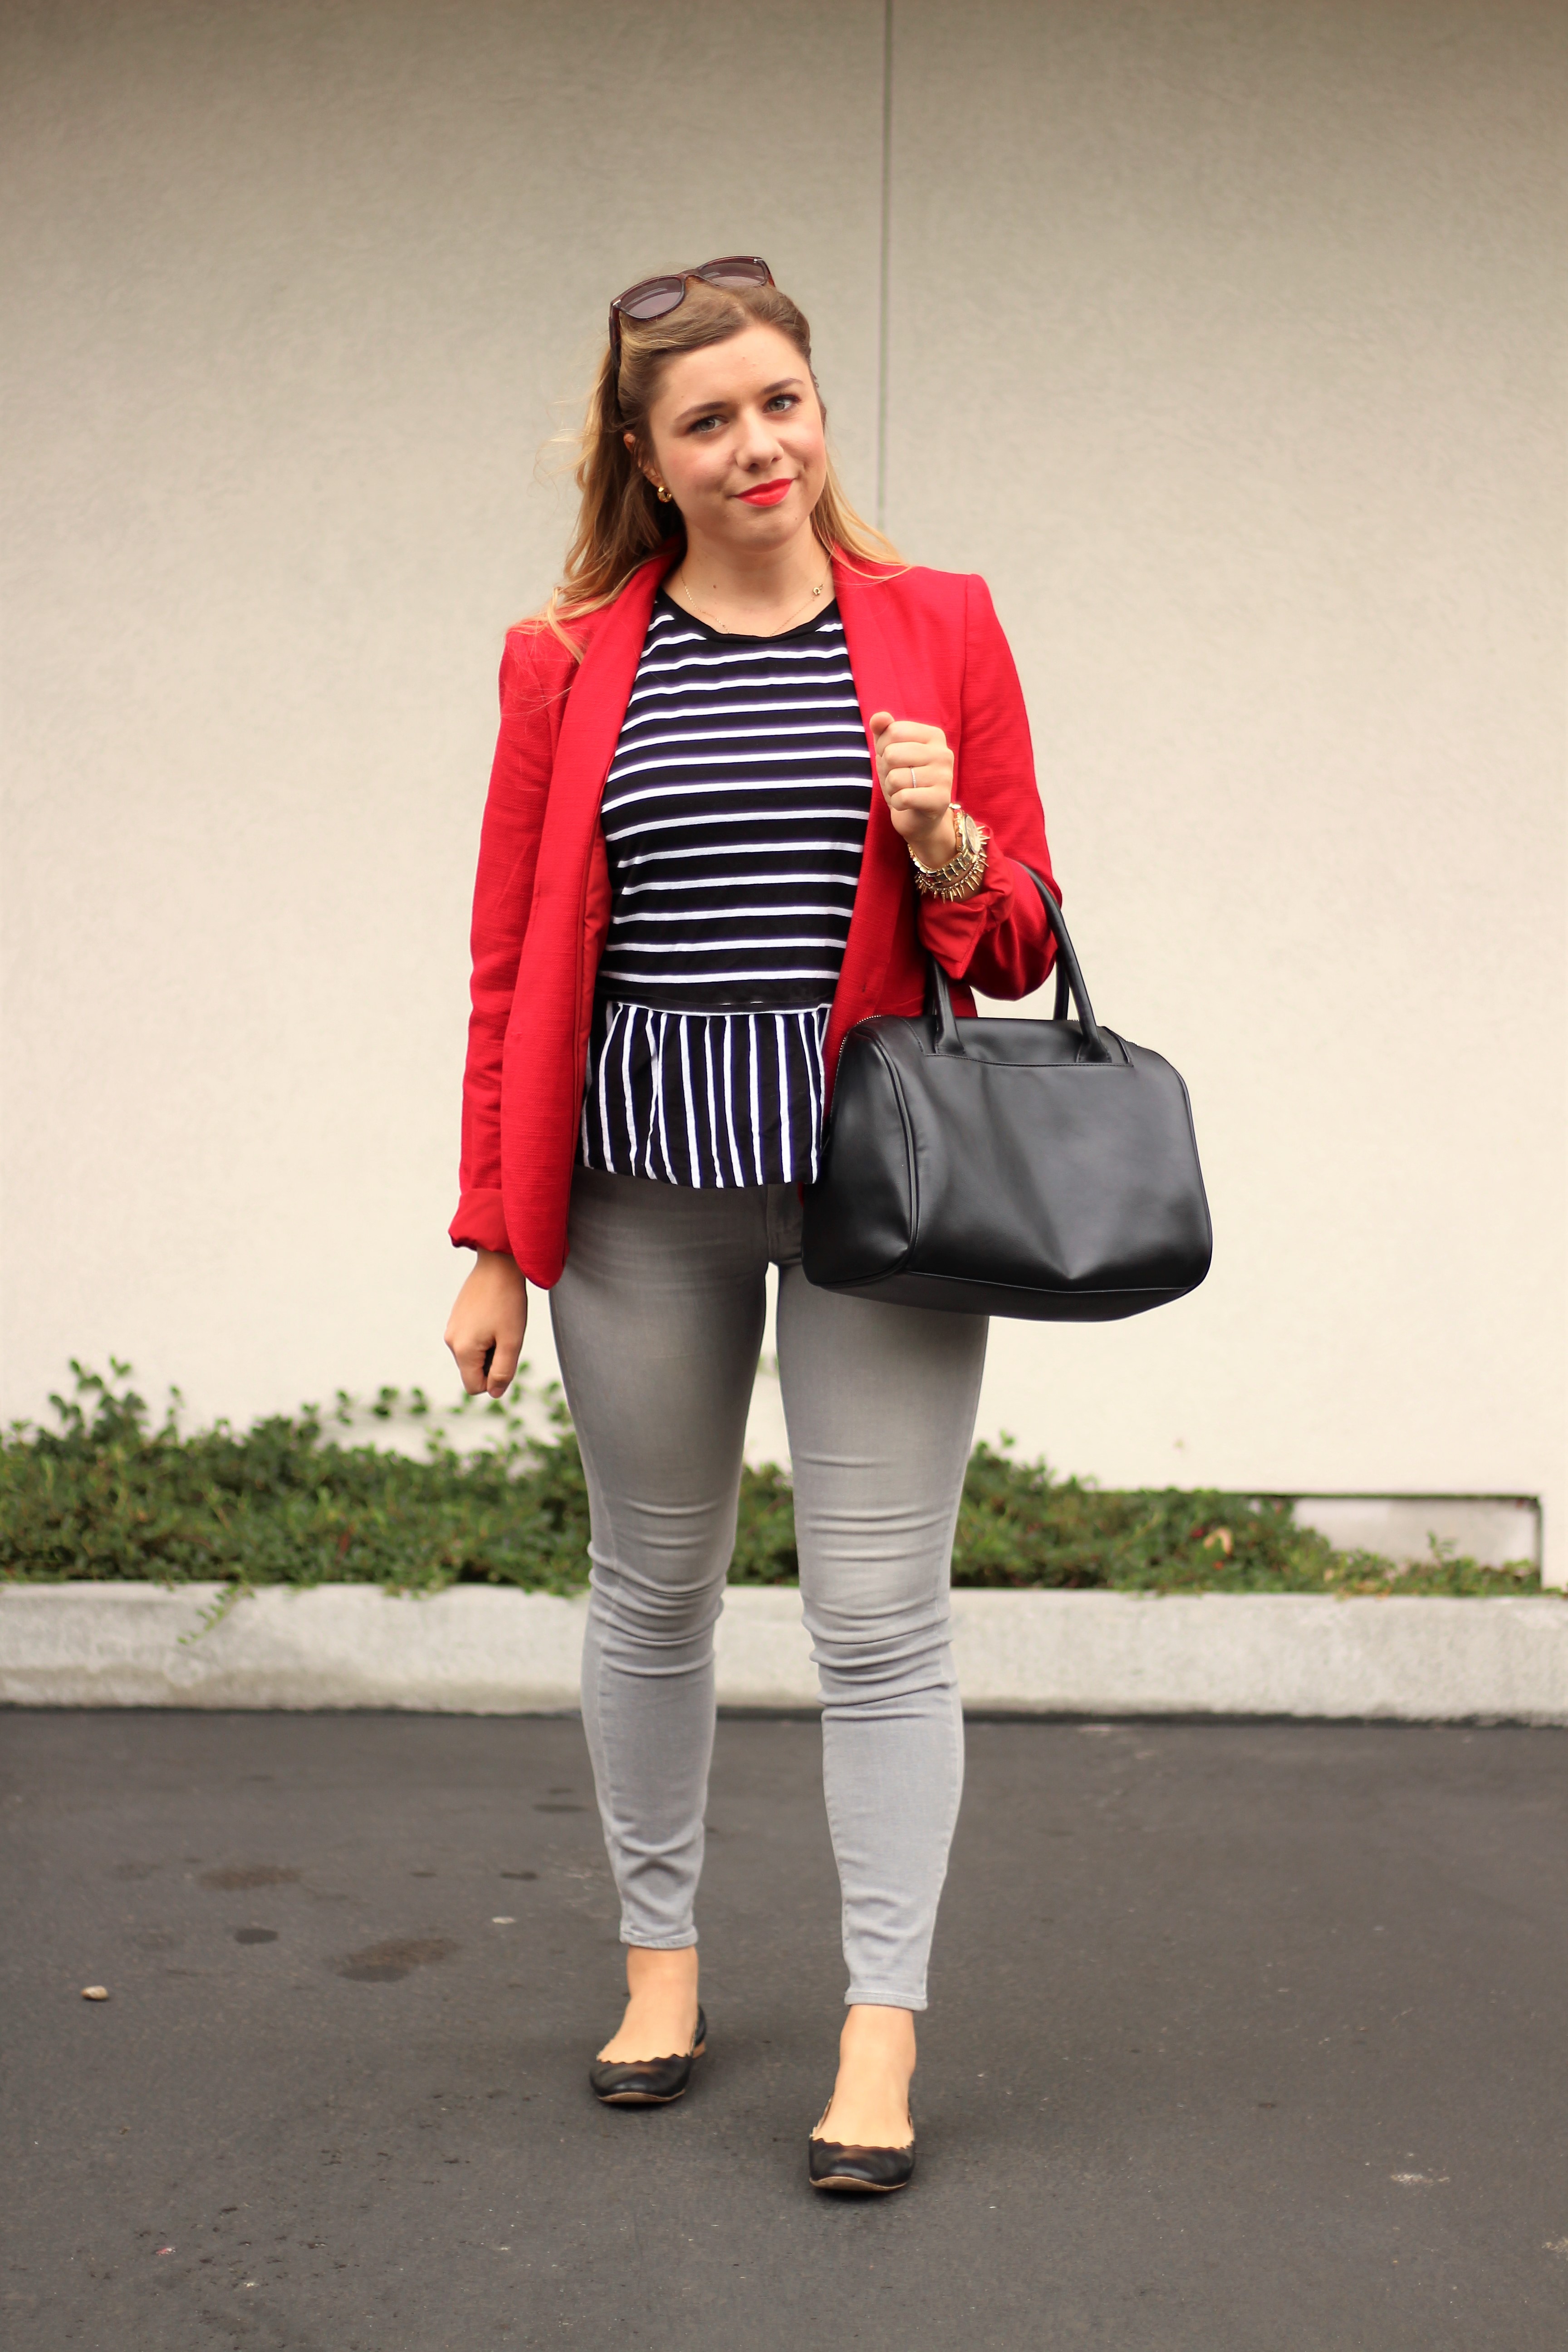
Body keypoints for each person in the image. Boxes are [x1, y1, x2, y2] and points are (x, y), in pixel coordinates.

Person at [444, 257, 1056, 2194]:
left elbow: (1022, 945)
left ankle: (880, 2026)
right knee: (656, 1588)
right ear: (645, 453)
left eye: (779, 400)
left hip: (881, 1191)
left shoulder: (938, 624)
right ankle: (659, 1964)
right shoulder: (564, 661)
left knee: (879, 1619)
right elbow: (503, 970)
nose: (756, 443)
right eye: (706, 419)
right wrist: (488, 1236)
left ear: (819, 408)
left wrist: (948, 842)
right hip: (635, 1198)